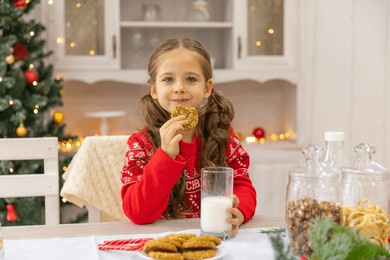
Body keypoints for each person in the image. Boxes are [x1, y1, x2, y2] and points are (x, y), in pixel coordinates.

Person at [120, 38, 256, 236]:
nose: (179, 88)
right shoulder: (141, 144)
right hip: (162, 243)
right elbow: (137, 213)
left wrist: (239, 211)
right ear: (154, 90)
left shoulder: (221, 134)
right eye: (168, 79)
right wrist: (165, 156)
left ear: (207, 88)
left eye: (191, 79)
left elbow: (242, 186)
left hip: (213, 239)